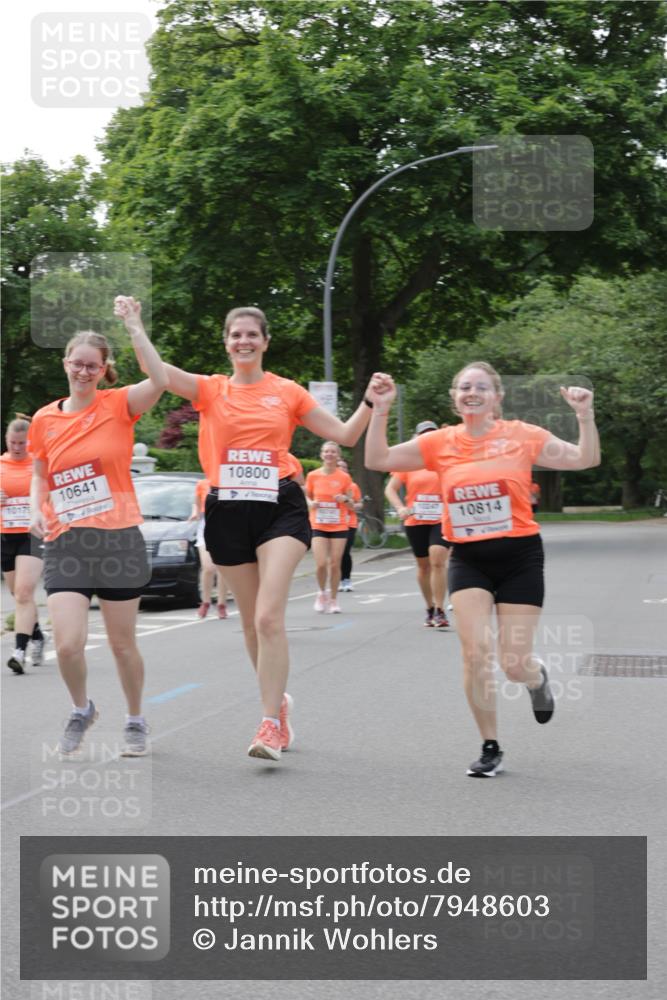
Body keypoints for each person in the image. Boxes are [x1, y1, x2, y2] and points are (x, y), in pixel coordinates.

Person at [155, 306, 381, 762]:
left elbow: (345, 434)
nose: (244, 341)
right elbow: (156, 371)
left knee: (266, 618)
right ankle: (277, 703)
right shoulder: (210, 389)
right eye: (236, 334)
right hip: (228, 510)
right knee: (248, 622)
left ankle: (270, 726)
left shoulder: (287, 391)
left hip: (280, 506)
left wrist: (374, 402)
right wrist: (135, 326)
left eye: (252, 334)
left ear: (265, 340)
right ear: (226, 342)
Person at [366, 362, 600, 777]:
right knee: (474, 654)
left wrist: (584, 416)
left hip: (520, 557)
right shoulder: (439, 442)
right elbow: (377, 457)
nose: (471, 393)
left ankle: (534, 677)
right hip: (469, 558)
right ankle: (490, 745)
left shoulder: (522, 435)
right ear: (454, 397)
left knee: (513, 663)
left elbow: (585, 459)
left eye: (481, 387)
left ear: (497, 397)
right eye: (463, 387)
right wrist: (380, 408)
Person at [28, 297, 168, 758]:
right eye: (77, 364)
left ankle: (135, 718)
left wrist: (134, 325)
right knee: (67, 645)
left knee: (122, 644)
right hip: (67, 541)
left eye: (93, 365)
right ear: (66, 364)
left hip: (118, 538)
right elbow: (39, 474)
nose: (84, 371)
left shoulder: (118, 404)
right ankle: (81, 708)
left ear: (103, 368)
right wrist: (35, 508)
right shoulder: (45, 419)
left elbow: (161, 380)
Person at [384, 421, 451, 628]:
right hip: (416, 519)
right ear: (417, 438)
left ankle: (440, 610)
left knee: (438, 559)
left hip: (441, 519)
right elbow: (390, 490)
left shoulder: (447, 461)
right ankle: (429, 608)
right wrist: (399, 508)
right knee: (423, 566)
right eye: (424, 435)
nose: (428, 438)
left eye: (432, 434)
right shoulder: (408, 464)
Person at [1, 415, 46, 673]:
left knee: (25, 592)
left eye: (21, 443)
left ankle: (19, 651)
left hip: (32, 535)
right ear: (7, 441)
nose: (17, 448)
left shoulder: (38, 466)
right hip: (6, 536)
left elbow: (50, 497)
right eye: (13, 442)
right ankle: (38, 635)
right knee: (18, 596)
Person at [305, 442, 353, 614]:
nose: (329, 454)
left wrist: (345, 500)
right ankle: (321, 593)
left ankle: (333, 599)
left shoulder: (344, 477)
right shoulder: (312, 476)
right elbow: (307, 497)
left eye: (333, 451)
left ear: (337, 455)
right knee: (320, 564)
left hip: (338, 524)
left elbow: (352, 503)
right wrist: (312, 503)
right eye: (326, 451)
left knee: (334, 564)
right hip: (318, 523)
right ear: (321, 454)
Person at [189, 477, 229, 619]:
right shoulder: (202, 484)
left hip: (225, 526)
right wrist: (194, 513)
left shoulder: (227, 481)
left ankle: (221, 604)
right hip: (206, 526)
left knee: (223, 568)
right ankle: (205, 602)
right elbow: (197, 504)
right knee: (208, 567)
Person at [337, 457, 362, 592]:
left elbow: (359, 503)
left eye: (344, 467)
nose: (342, 469)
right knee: (334, 555)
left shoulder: (352, 486)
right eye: (339, 466)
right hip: (332, 523)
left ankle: (346, 579)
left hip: (348, 523)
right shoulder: (329, 482)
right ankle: (336, 579)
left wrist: (350, 503)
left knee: (345, 552)